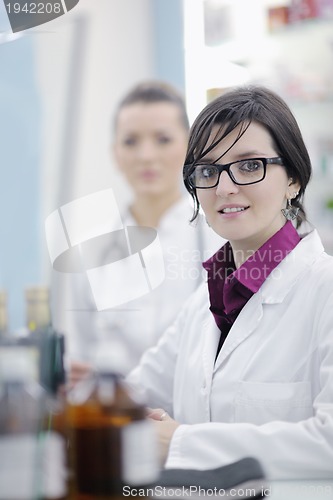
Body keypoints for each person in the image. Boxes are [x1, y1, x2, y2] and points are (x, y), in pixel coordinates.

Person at [126, 85, 333, 479]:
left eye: (250, 165)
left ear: (293, 178)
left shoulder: (326, 292)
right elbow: (134, 394)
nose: (224, 187)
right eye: (207, 170)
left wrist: (179, 443)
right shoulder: (205, 305)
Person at [65, 81, 222, 378]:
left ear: (189, 147)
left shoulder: (221, 240)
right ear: (115, 153)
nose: (146, 155)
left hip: (191, 419)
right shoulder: (90, 251)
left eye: (163, 139)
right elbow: (79, 356)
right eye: (131, 141)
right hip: (113, 416)